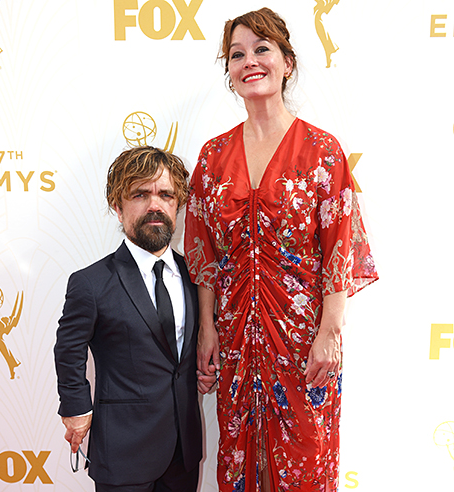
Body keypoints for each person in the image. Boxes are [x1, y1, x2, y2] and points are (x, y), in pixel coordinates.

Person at [184, 7, 378, 492]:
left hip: (303, 343)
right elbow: (204, 257)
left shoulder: (322, 151)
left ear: (287, 62)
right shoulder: (211, 157)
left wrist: (330, 333)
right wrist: (206, 328)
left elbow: (339, 250)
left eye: (262, 49)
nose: (249, 61)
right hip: (235, 343)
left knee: (304, 463)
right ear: (228, 72)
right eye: (236, 54)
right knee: (238, 462)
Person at [54, 146, 215, 492]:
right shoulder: (91, 283)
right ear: (118, 205)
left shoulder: (197, 277)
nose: (154, 205)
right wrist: (76, 408)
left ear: (178, 205)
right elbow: (68, 351)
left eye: (165, 195)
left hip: (182, 452)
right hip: (123, 453)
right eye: (140, 194)